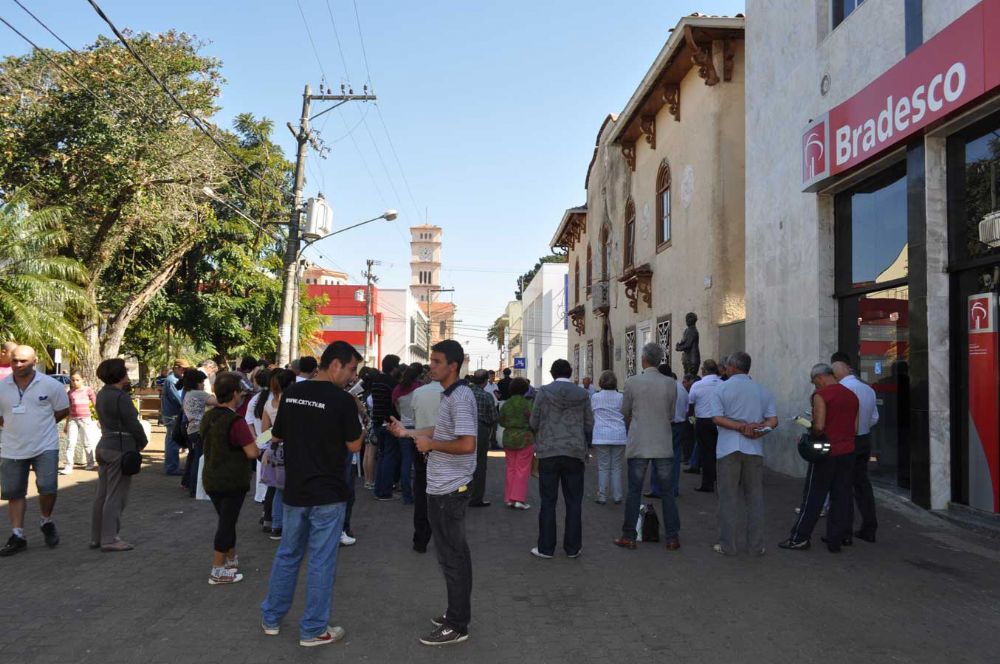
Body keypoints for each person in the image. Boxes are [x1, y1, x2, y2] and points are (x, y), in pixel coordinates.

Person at [260, 341, 364, 647]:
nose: (352, 376)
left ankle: (271, 618)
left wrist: (254, 443)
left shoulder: (292, 394)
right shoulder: (343, 401)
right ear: (335, 365)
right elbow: (355, 446)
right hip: (329, 493)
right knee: (321, 560)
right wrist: (357, 416)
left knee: (288, 554)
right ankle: (314, 629)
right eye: (351, 369)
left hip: (295, 489)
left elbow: (276, 435)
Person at [387, 340, 477, 646]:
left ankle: (457, 624)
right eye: (431, 361)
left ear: (453, 366)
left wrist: (431, 445)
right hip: (442, 487)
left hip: (449, 489)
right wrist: (408, 432)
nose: (431, 367)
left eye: (437, 362)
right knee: (454, 556)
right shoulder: (450, 394)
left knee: (452, 558)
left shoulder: (460, 397)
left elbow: (466, 444)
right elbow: (440, 431)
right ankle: (457, 613)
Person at [780, 363, 859, 553]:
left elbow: (820, 426)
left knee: (813, 496)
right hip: (848, 451)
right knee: (841, 497)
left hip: (826, 452)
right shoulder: (851, 395)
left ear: (820, 377)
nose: (815, 386)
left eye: (814, 382)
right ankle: (836, 539)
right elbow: (855, 429)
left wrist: (810, 428)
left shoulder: (821, 395)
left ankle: (800, 537)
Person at [0, 345, 70, 555]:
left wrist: (42, 425)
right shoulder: (2, 387)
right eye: (14, 361)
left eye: (23, 361)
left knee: (48, 488)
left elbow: (63, 410)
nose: (18, 364)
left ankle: (45, 520)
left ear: (35, 360)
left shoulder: (50, 385)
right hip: (12, 448)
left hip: (45, 446)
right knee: (14, 493)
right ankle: (18, 534)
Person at [707, 352, 778, 556]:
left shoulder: (722, 388)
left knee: (728, 498)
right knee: (755, 498)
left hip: (728, 448)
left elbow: (717, 418)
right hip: (754, 449)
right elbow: (773, 420)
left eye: (727, 367)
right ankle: (756, 546)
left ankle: (728, 544)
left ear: (732, 367)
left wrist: (740, 427)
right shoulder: (762, 390)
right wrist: (758, 427)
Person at [613, 344, 681, 550]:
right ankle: (672, 537)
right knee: (668, 492)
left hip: (640, 441)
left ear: (643, 359)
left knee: (634, 491)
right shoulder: (670, 383)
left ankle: (629, 535)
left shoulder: (632, 382)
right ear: (660, 360)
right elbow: (671, 414)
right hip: (662, 442)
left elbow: (624, 411)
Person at [529, 359, 593, 560]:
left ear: (552, 373)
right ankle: (573, 548)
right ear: (571, 372)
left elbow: (534, 421)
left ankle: (546, 548)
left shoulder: (543, 392)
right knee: (574, 501)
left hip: (548, 451)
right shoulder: (583, 394)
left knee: (548, 501)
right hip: (574, 452)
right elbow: (589, 423)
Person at [200, 371, 259, 584]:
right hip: (233, 479)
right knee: (226, 522)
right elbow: (252, 452)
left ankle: (231, 560)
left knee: (227, 520)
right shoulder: (235, 421)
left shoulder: (208, 417)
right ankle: (217, 570)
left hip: (211, 477)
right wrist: (259, 444)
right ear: (235, 394)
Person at [91, 358, 148, 552]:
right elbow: (133, 423)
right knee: (116, 495)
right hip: (120, 447)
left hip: (104, 445)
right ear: (120, 374)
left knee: (102, 494)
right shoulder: (120, 396)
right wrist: (142, 442)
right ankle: (109, 539)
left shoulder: (102, 394)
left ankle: (97, 537)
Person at [831, 352, 879, 543]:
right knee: (862, 485)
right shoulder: (868, 389)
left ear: (838, 368)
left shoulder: (841, 389)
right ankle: (869, 528)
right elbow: (875, 417)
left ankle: (845, 532)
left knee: (843, 485)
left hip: (847, 441)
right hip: (864, 439)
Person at [260, 369, 296, 539]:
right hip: (291, 449)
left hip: (275, 449)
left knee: (277, 489)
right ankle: (287, 526)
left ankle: (276, 525)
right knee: (289, 489)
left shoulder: (268, 404)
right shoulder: (292, 402)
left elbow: (264, 432)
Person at [409, 376, 444, 552]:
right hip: (446, 449)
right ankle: (444, 539)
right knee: (445, 495)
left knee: (421, 495)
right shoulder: (452, 394)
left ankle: (420, 540)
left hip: (421, 446)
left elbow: (414, 418)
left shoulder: (418, 393)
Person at [590, 370, 626, 505]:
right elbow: (626, 413)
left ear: (601, 382)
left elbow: (592, 412)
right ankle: (617, 496)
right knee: (617, 466)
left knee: (603, 466)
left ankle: (602, 495)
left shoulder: (595, 397)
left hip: (601, 435)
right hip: (619, 435)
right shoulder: (621, 397)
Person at [498, 377, 534, 509]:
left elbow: (501, 421)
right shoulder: (528, 403)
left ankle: (509, 498)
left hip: (508, 438)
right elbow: (534, 421)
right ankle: (518, 499)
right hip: (525, 438)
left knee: (510, 468)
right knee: (522, 469)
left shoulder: (506, 404)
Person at [688, 359, 723, 492]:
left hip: (703, 421)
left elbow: (691, 402)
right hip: (720, 421)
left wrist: (692, 419)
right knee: (719, 452)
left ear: (704, 370)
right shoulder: (722, 383)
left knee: (706, 453)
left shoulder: (697, 385)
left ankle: (707, 483)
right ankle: (720, 480)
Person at [370, 354, 401, 500]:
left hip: (377, 422)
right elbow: (395, 404)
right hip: (390, 423)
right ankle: (385, 491)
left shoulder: (376, 381)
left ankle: (379, 490)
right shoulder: (393, 383)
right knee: (389, 457)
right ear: (394, 368)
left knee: (382, 456)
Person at [180, 369, 214, 497]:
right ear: (197, 382)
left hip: (191, 429)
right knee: (199, 460)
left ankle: (192, 486)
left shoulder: (187, 393)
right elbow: (218, 402)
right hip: (200, 429)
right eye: (202, 382)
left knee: (195, 458)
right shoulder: (200, 394)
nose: (203, 385)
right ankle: (196, 488)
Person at [392, 364, 423, 505]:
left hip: (403, 427)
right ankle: (419, 493)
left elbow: (397, 408)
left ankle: (407, 496)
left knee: (405, 462)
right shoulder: (419, 388)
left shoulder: (397, 390)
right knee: (418, 464)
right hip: (417, 428)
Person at [468, 369, 496, 507]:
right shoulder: (487, 396)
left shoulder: (464, 394)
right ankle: (476, 498)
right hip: (481, 430)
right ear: (485, 381)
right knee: (480, 464)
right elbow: (493, 418)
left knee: (463, 462)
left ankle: (461, 494)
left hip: (463, 429)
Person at [62, 372, 98, 475]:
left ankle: (90, 463)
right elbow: (69, 409)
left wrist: (100, 418)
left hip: (85, 419)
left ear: (83, 379)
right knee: (70, 443)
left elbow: (95, 404)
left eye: (77, 380)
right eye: (73, 380)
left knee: (87, 442)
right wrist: (66, 424)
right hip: (73, 419)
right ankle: (68, 466)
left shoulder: (88, 390)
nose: (75, 382)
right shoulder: (70, 393)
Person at [245, 369, 272, 505]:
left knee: (262, 478)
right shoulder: (275, 399)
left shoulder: (254, 401)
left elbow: (248, 422)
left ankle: (262, 499)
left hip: (260, 444)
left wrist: (258, 440)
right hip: (272, 443)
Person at [160, 359, 189, 475]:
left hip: (174, 414)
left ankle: (172, 466)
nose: (184, 371)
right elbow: (178, 399)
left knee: (173, 441)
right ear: (176, 368)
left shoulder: (177, 380)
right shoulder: (171, 381)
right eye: (183, 369)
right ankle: (171, 468)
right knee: (173, 441)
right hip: (172, 415)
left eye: (186, 369)